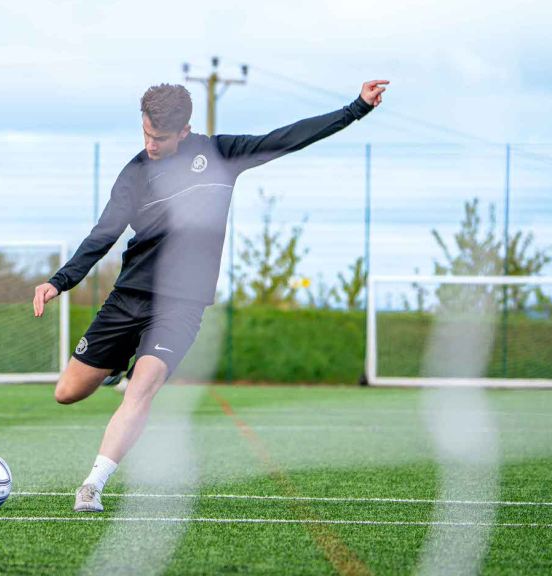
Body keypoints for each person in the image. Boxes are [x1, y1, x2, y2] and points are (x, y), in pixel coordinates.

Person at [33, 79, 388, 512]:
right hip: (128, 297)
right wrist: (60, 280)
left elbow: (287, 138)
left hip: (181, 304)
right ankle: (116, 363)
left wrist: (356, 108)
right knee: (67, 392)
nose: (150, 144)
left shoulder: (220, 156)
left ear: (184, 132)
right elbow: (103, 234)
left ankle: (92, 485)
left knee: (140, 390)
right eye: (144, 133)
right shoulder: (136, 172)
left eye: (159, 138)